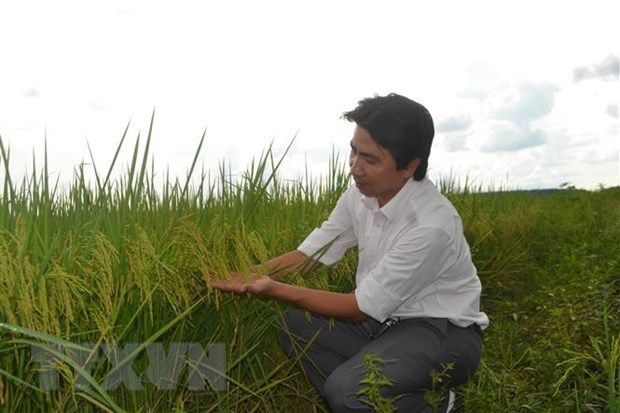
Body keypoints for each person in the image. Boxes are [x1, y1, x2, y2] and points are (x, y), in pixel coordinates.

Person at [210, 93, 488, 412]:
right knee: (293, 326)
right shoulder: (359, 196)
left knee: (347, 391)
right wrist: (250, 274)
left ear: (409, 166)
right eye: (353, 152)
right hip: (386, 323)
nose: (355, 168)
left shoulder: (429, 225)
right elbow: (312, 254)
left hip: (443, 332)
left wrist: (272, 288)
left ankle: (438, 406)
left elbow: (357, 308)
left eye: (370, 160)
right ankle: (388, 400)